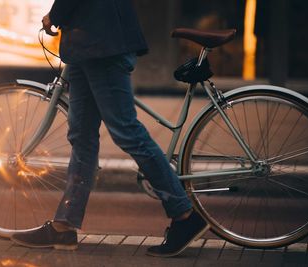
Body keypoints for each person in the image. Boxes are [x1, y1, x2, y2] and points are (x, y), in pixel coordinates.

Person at [11, 0, 209, 257]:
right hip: (85, 43)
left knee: (126, 131)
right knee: (81, 135)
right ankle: (64, 225)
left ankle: (184, 215)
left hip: (100, 41)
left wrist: (55, 14)